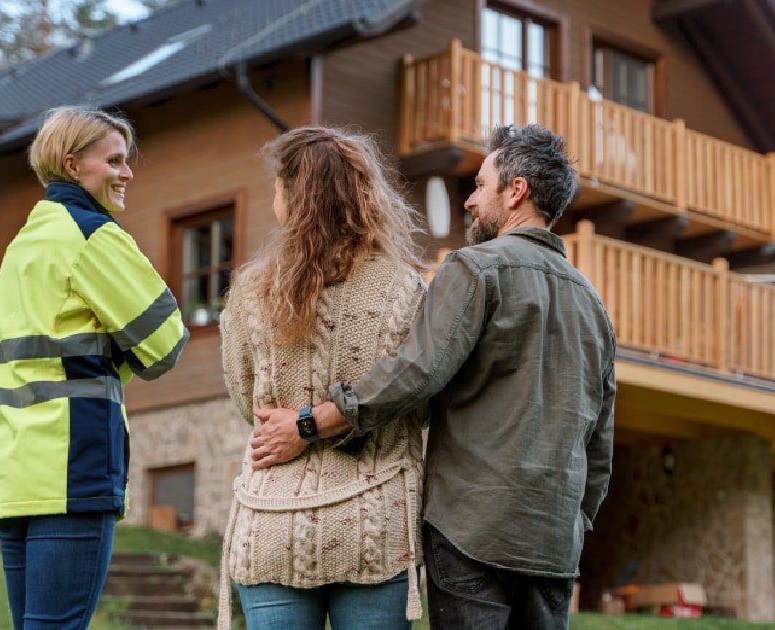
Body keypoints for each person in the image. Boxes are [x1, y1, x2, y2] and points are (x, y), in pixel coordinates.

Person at [250, 124, 617, 629]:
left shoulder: (475, 269)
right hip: (553, 542)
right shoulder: (594, 303)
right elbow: (601, 438)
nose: (469, 202)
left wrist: (310, 422)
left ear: (516, 192)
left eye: (479, 186)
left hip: (472, 531)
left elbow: (415, 373)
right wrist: (575, 522)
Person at [0, 105, 189, 629]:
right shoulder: (93, 235)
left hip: (13, 475)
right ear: (73, 166)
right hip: (73, 470)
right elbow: (166, 344)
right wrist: (119, 352)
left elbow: (43, 356)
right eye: (114, 161)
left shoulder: (22, 245)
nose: (127, 173)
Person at [216, 127, 429, 630]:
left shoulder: (250, 290)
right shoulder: (403, 288)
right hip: (374, 529)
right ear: (363, 196)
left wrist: (296, 424)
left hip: (271, 524)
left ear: (289, 197)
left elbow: (248, 401)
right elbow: (417, 400)